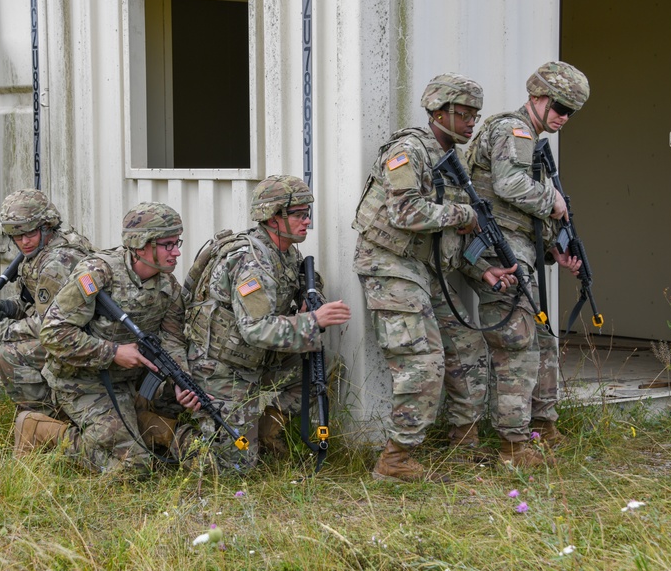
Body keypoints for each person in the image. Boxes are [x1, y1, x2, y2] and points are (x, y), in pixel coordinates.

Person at [352, 73, 515, 482]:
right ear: (439, 111)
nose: (471, 123)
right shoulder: (408, 151)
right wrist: (464, 215)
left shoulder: (451, 160)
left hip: (424, 269)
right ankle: (396, 459)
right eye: (464, 114)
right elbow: (404, 213)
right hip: (389, 264)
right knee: (422, 360)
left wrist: (484, 269)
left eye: (475, 115)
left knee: (467, 346)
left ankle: (463, 442)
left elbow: (446, 242)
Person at [460, 61, 587, 467]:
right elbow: (509, 186)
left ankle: (542, 428)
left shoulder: (530, 139)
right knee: (516, 345)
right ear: (537, 97)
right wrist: (554, 201)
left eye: (571, 111)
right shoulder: (513, 130)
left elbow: (517, 207)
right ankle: (513, 448)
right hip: (500, 254)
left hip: (519, 252)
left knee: (543, 341)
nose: (564, 117)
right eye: (560, 107)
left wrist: (554, 250)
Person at [183, 175, 351, 471]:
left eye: (307, 213)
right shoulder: (253, 264)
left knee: (320, 372)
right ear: (273, 218)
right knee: (235, 467)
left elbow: (303, 286)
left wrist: (313, 301)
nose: (306, 222)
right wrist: (313, 320)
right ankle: (167, 433)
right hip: (224, 369)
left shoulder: (284, 254)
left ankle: (266, 425)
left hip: (258, 360)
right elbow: (256, 329)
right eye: (299, 214)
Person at [32, 202, 200, 475]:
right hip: (82, 382)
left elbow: (172, 339)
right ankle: (39, 430)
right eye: (167, 245)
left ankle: (137, 423)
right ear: (141, 245)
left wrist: (181, 380)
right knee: (133, 467)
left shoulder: (167, 286)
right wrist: (113, 352)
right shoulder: (99, 275)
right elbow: (53, 333)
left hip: (126, 383)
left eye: (176, 242)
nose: (177, 252)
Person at [0, 190, 94, 426]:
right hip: (72, 330)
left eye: (30, 233)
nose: (24, 241)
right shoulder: (41, 252)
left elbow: (49, 324)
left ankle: (45, 423)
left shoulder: (57, 262)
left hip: (84, 337)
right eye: (16, 235)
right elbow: (32, 302)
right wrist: (6, 308)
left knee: (9, 355)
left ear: (46, 226)